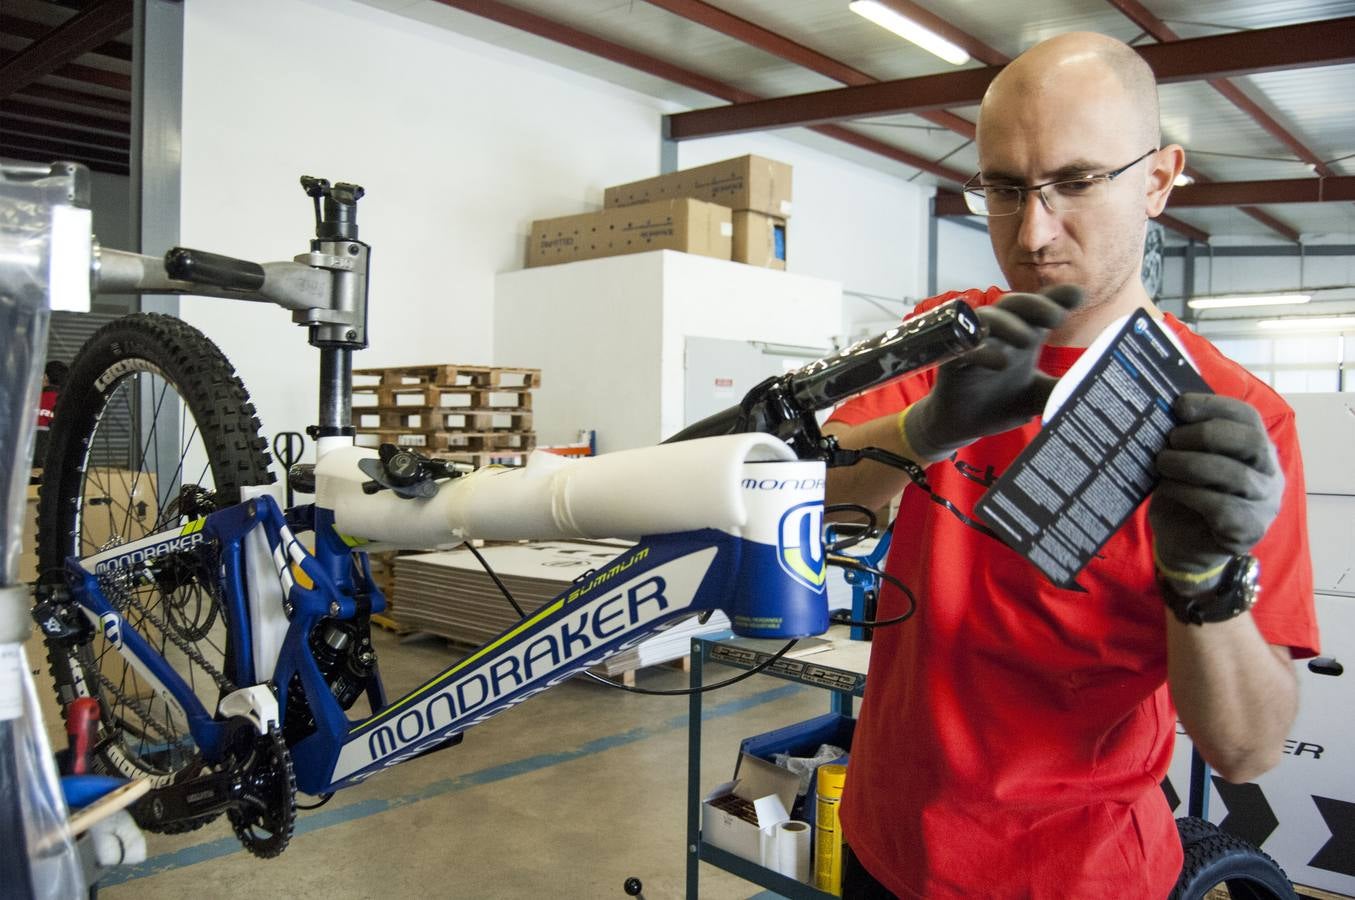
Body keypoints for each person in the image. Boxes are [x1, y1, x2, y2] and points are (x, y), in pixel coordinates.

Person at [822, 32, 1320, 898]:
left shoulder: (1236, 420)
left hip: (1075, 876)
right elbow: (812, 510)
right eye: (1004, 189)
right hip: (883, 844)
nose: (1032, 230)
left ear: (1158, 180)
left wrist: (1200, 580)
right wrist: (919, 432)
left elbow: (1246, 749)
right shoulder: (944, 335)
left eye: (1077, 182)